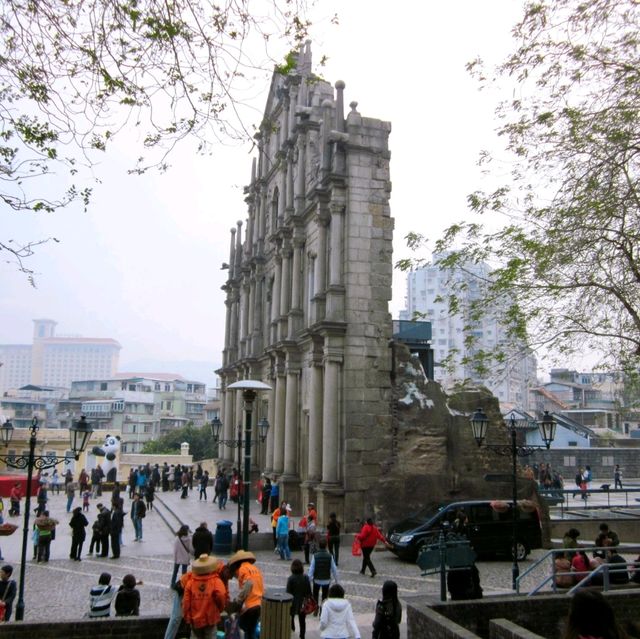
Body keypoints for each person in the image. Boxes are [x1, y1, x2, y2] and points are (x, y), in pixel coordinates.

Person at [181, 554, 228, 639]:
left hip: (195, 621)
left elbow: (186, 602)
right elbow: (221, 595)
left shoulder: (190, 583)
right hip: (210, 620)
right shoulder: (216, 581)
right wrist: (220, 609)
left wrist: (187, 618)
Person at [228, 549, 264, 639]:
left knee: (244, 627)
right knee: (251, 629)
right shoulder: (255, 569)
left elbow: (247, 585)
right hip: (259, 604)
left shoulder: (242, 569)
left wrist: (238, 602)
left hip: (250, 606)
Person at [308, 538, 339, 607]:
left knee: (315, 594)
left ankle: (315, 607)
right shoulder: (330, 556)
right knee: (325, 596)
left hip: (317, 579)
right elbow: (334, 569)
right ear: (326, 546)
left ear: (319, 545)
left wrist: (309, 579)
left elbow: (311, 569)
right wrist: (336, 580)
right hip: (326, 579)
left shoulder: (315, 556)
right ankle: (323, 608)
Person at [287, 558, 312, 639]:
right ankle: (302, 636)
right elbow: (309, 591)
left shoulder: (291, 578)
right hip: (302, 603)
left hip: (293, 603)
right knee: (302, 621)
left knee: (291, 617)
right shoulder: (305, 577)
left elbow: (288, 592)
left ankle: (292, 630)